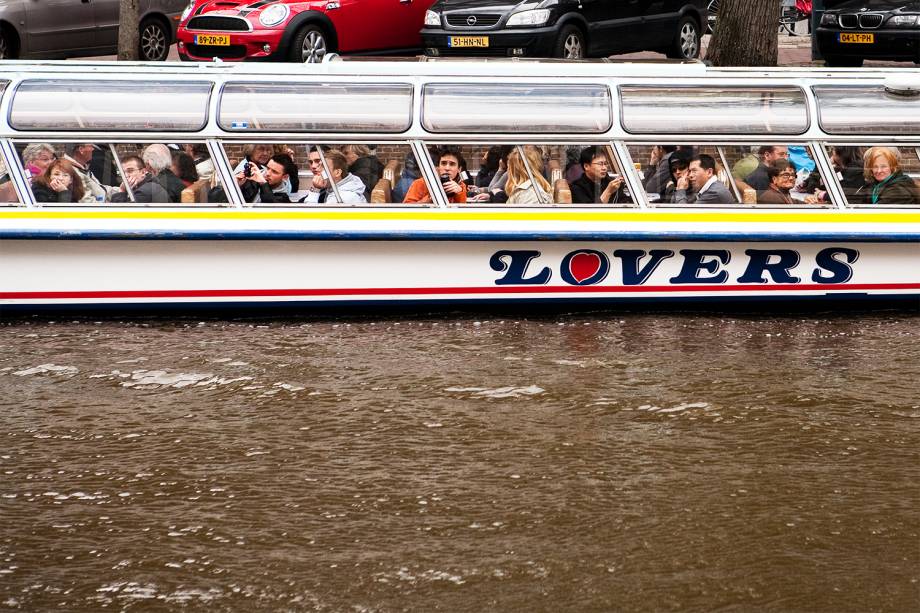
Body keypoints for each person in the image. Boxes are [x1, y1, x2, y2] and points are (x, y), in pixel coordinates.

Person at [854, 147, 920, 205]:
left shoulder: (897, 190)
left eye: (883, 166)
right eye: (875, 167)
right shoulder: (878, 184)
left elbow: (875, 214)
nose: (879, 170)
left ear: (893, 168)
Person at [403, 147, 467, 204]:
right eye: (443, 163)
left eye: (452, 164)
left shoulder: (461, 186)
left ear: (459, 169)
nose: (447, 168)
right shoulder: (421, 183)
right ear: (438, 167)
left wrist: (459, 194)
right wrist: (430, 199)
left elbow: (463, 213)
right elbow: (407, 209)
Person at [300, 150, 366, 204]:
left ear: (337, 172)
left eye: (323, 167)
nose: (317, 169)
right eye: (319, 165)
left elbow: (310, 217)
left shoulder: (339, 198)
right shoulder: (341, 188)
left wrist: (315, 190)